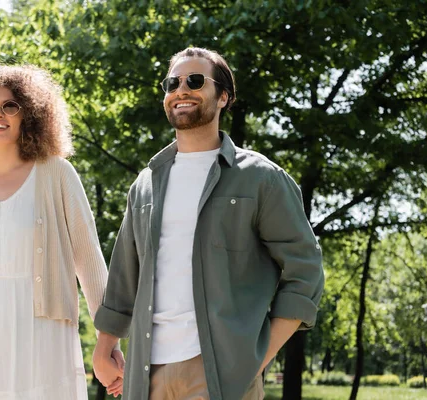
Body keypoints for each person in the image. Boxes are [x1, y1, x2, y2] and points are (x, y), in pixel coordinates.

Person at [92, 47, 325, 400]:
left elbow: (305, 270)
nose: (181, 90)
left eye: (195, 81)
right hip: (145, 372)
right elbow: (125, 276)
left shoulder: (261, 179)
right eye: (173, 83)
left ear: (223, 97)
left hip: (221, 375)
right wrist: (104, 346)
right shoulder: (145, 184)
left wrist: (256, 357)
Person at [0, 52, 123, 400]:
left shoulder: (56, 173)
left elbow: (90, 262)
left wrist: (108, 342)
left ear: (30, 113)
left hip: (43, 337)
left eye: (10, 106)